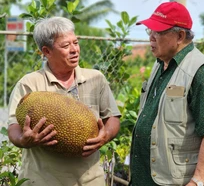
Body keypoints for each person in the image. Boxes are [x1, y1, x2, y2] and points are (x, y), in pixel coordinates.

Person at [7, 16, 121, 186]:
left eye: (76, 42)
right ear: (46, 51)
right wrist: (23, 139)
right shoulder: (29, 83)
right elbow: (13, 127)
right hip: (41, 180)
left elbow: (112, 118)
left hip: (89, 180)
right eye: (66, 46)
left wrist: (106, 135)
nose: (74, 49)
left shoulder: (96, 79)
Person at [129, 2, 204, 186]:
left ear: (180, 36)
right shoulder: (159, 65)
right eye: (150, 31)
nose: (151, 37)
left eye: (158, 32)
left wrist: (198, 181)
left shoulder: (200, 72)